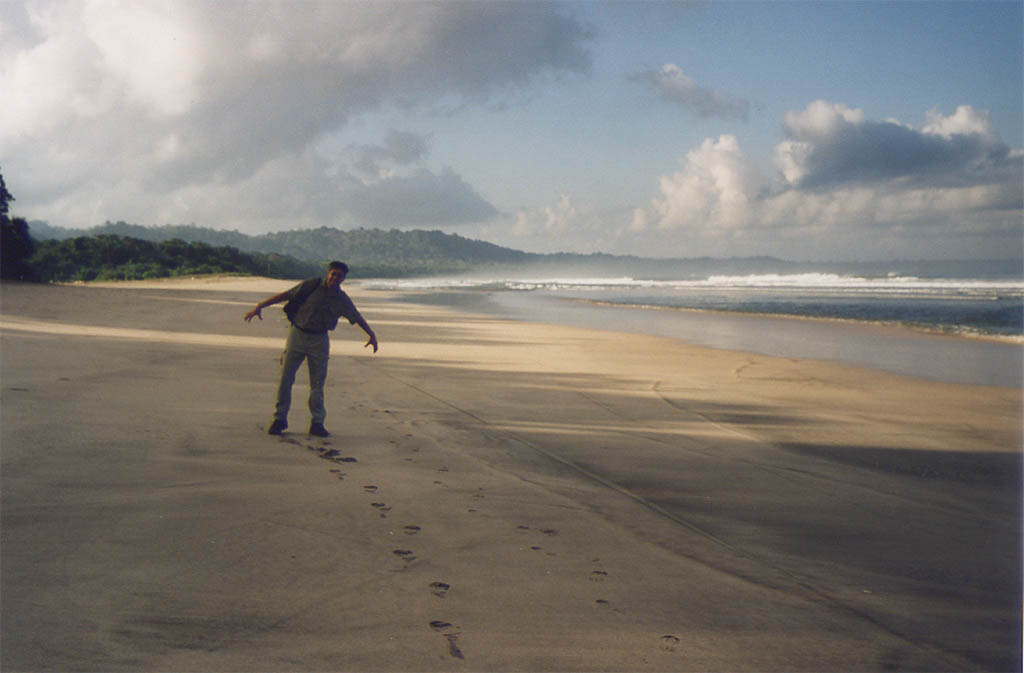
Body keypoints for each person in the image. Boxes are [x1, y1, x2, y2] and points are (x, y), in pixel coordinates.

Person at [244, 261, 378, 436]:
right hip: (297, 335)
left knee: (317, 383)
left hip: (320, 339)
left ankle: (317, 422)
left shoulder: (342, 299)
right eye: (333, 274)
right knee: (286, 378)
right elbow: (287, 295)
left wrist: (371, 334)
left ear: (344, 279)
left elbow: (356, 316)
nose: (335, 278)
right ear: (328, 274)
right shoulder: (312, 286)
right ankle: (279, 419)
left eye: (339, 276)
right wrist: (260, 305)